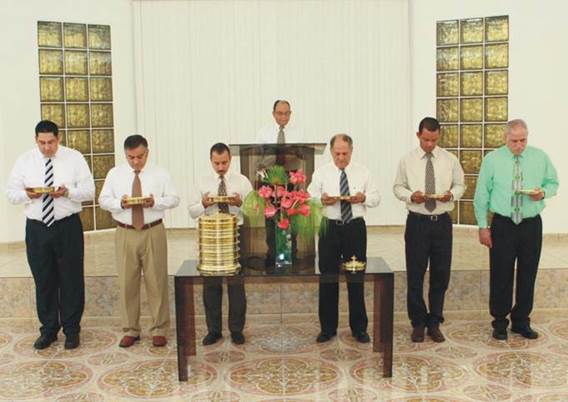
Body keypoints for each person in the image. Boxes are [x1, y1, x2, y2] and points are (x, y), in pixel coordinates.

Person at [6, 120, 95, 350]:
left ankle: (72, 330)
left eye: (51, 142)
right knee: (43, 279)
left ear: (59, 138)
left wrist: (68, 192)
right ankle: (48, 330)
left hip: (67, 226)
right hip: (37, 228)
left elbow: (89, 191)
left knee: (71, 279)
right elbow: (10, 194)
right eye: (42, 143)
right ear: (35, 140)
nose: (47, 147)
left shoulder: (74, 158)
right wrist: (28, 195)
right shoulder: (25, 160)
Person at [474, 119, 558, 340]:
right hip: (503, 224)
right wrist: (483, 226)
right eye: (514, 141)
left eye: (523, 140)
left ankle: (521, 321)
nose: (519, 145)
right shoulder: (492, 159)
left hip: (531, 224)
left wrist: (543, 193)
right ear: (505, 138)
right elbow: (481, 195)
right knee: (500, 272)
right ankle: (500, 322)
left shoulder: (540, 157)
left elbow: (553, 183)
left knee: (528, 272)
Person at [99, 135, 179, 347]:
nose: (136, 161)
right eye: (131, 157)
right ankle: (131, 329)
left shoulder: (160, 173)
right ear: (125, 154)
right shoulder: (115, 174)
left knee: (157, 280)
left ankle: (159, 328)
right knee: (127, 282)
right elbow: (103, 200)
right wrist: (120, 203)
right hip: (125, 232)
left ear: (147, 152)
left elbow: (174, 198)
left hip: (153, 230)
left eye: (140, 157)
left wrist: (156, 201)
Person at [393, 117, 465, 343]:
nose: (429, 144)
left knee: (440, 275)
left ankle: (434, 322)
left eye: (434, 140)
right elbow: (397, 187)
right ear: (418, 135)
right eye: (425, 140)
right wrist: (410, 195)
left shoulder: (450, 159)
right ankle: (418, 322)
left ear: (439, 136)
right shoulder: (407, 160)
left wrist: (451, 194)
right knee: (415, 274)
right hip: (417, 222)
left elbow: (460, 184)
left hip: (441, 222)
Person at [307, 134, 380, 343]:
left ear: (351, 151)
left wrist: (363, 198)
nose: (341, 158)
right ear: (331, 152)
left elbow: (376, 198)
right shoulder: (321, 173)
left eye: (345, 154)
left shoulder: (363, 172)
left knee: (356, 277)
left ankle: (359, 328)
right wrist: (321, 200)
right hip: (329, 228)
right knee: (328, 277)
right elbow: (309, 198)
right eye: (337, 153)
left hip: (355, 228)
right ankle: (327, 328)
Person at [188, 143, 252, 345]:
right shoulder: (201, 181)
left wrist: (240, 204)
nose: (221, 167)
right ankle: (213, 330)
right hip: (210, 235)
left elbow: (254, 210)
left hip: (235, 233)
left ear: (230, 160)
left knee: (236, 285)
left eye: (224, 162)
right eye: (216, 163)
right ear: (211, 161)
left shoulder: (241, 181)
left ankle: (236, 330)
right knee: (211, 285)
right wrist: (204, 204)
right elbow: (191, 211)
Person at [256, 100, 303, 265]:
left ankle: (291, 254)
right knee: (271, 219)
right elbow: (258, 159)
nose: (283, 116)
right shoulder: (263, 133)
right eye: (280, 113)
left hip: (291, 181)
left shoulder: (299, 133)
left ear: (290, 113)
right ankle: (272, 254)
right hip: (270, 181)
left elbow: (303, 156)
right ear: (274, 114)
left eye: (286, 113)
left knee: (291, 220)